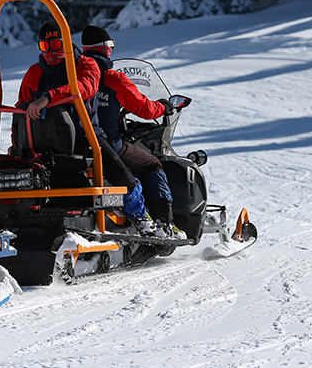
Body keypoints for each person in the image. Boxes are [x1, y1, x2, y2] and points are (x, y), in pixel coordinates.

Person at [12, 21, 153, 231]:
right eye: (45, 46)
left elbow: (83, 88)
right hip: (45, 144)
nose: (51, 51)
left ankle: (142, 220)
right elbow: (20, 111)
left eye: (57, 45)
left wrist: (48, 97)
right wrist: (16, 144)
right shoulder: (34, 73)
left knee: (122, 176)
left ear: (67, 43)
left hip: (86, 137)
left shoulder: (86, 65)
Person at [81, 25, 184, 238]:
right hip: (109, 143)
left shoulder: (75, 76)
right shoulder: (112, 77)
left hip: (77, 144)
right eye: (110, 45)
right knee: (152, 165)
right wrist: (164, 107)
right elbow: (143, 108)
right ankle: (163, 223)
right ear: (105, 49)